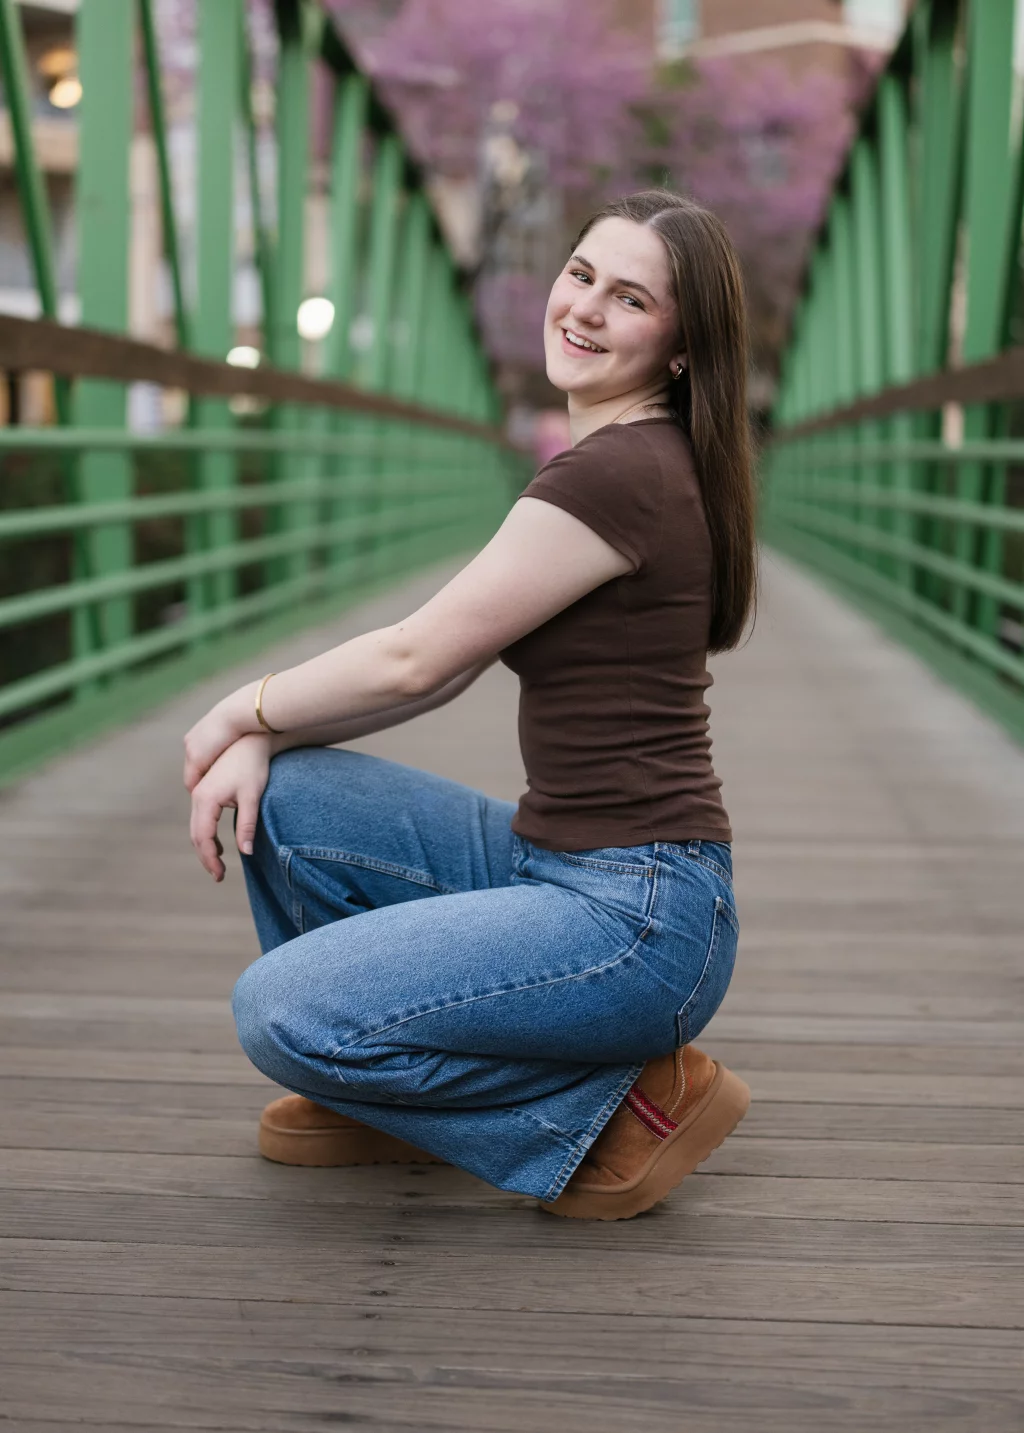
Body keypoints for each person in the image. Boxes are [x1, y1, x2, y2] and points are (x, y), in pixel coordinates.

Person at [183, 188, 759, 1221]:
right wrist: (273, 735)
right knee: (296, 801)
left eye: (628, 299)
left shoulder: (620, 473)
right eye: (580, 273)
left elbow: (413, 657)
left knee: (279, 1014)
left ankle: (615, 1107)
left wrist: (240, 709)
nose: (582, 308)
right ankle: (386, 1093)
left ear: (679, 349)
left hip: (637, 918)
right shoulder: (627, 460)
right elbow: (445, 670)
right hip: (570, 866)